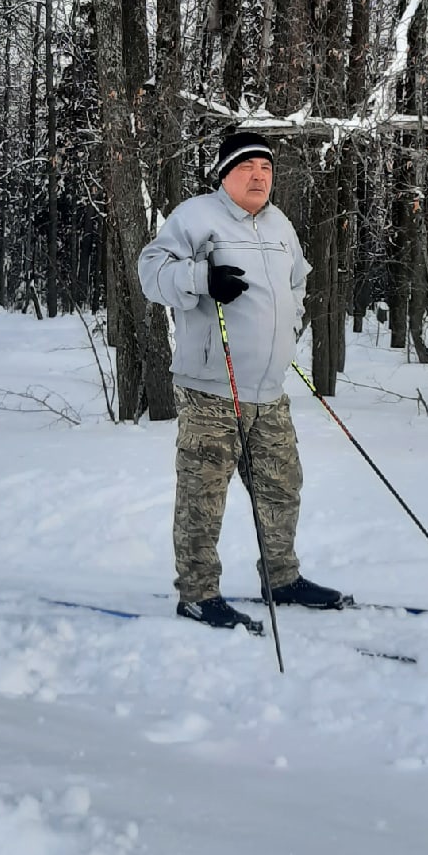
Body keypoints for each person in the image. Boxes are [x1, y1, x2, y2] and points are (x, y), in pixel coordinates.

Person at [138, 131, 350, 633]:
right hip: (212, 387)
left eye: (267, 168)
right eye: (248, 166)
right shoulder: (195, 217)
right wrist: (200, 279)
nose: (260, 175)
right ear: (225, 172)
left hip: (269, 391)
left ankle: (282, 579)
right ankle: (197, 593)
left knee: (282, 488)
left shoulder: (280, 226)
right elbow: (151, 271)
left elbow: (298, 281)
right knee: (203, 495)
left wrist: (290, 326)